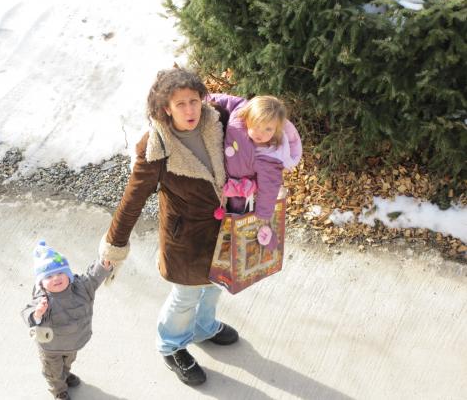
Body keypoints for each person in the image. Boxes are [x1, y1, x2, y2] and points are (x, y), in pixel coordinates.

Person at [98, 67, 238, 386]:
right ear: (166, 108)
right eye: (180, 104)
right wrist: (115, 245)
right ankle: (171, 345)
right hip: (185, 241)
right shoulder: (156, 149)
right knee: (186, 295)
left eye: (194, 101)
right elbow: (132, 200)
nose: (190, 110)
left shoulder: (215, 122)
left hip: (221, 232)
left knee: (214, 286)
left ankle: (203, 327)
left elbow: (250, 119)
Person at [206, 93, 302, 247]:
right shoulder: (240, 111)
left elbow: (269, 186)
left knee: (234, 216)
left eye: (268, 129)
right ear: (248, 116)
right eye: (257, 125)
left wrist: (263, 214)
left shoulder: (269, 155)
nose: (260, 133)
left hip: (238, 188)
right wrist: (202, 98)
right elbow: (225, 100)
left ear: (277, 130)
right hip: (216, 170)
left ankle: (232, 244)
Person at [21, 240, 113, 400]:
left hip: (72, 343)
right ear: (41, 283)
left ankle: (65, 373)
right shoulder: (43, 300)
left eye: (60, 273)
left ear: (68, 274)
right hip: (51, 348)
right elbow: (26, 312)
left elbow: (93, 278)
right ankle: (59, 390)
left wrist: (103, 265)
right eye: (49, 276)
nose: (56, 278)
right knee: (53, 372)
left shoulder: (81, 288)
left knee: (68, 363)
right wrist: (37, 313)